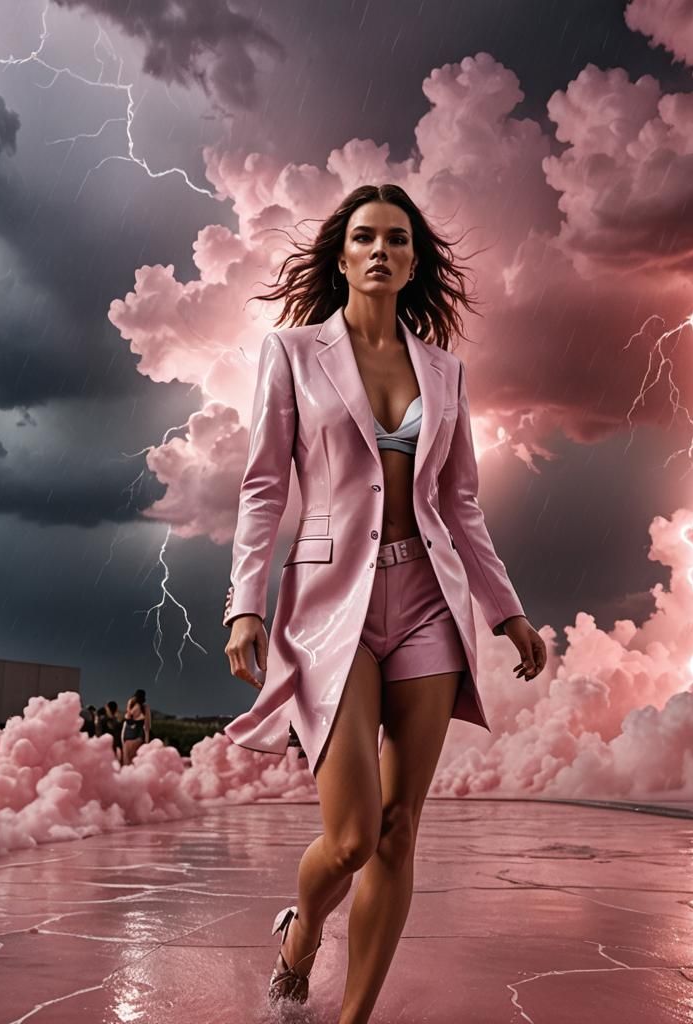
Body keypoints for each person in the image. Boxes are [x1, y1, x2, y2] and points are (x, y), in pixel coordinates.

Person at [221, 183, 545, 1020]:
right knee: (353, 837)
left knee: (400, 832)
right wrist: (245, 601)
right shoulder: (293, 353)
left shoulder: (446, 371)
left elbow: (461, 503)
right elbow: (264, 486)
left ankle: (353, 1018)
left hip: (429, 602)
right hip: (329, 608)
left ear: (413, 262)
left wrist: (506, 610)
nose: (380, 251)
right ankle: (301, 932)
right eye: (364, 237)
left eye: (397, 240)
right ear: (341, 256)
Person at [121, 689, 150, 765]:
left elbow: (128, 717)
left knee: (128, 761)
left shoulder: (133, 705)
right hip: (137, 736)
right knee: (136, 760)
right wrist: (147, 741)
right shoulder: (144, 707)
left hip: (129, 736)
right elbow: (147, 726)